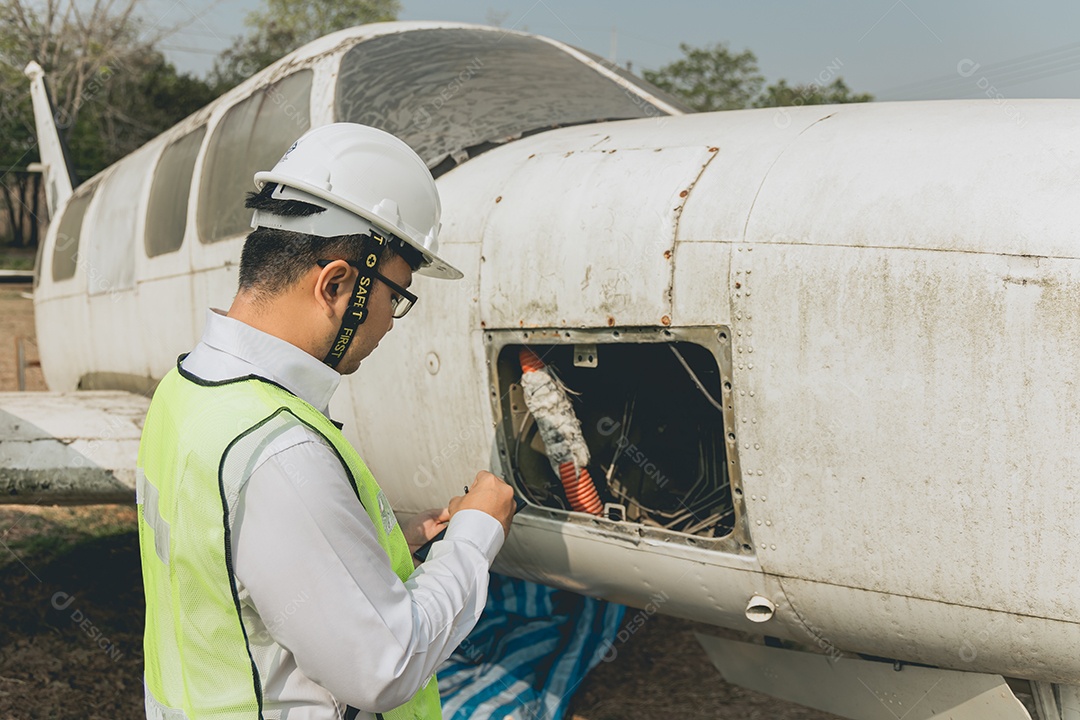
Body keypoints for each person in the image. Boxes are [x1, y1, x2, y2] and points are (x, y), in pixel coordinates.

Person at [136, 122, 516, 720]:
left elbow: (230, 556)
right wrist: (475, 537)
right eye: (397, 296)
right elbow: (385, 665)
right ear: (337, 283)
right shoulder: (283, 453)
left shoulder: (187, 388)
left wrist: (377, 543)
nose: (391, 321)